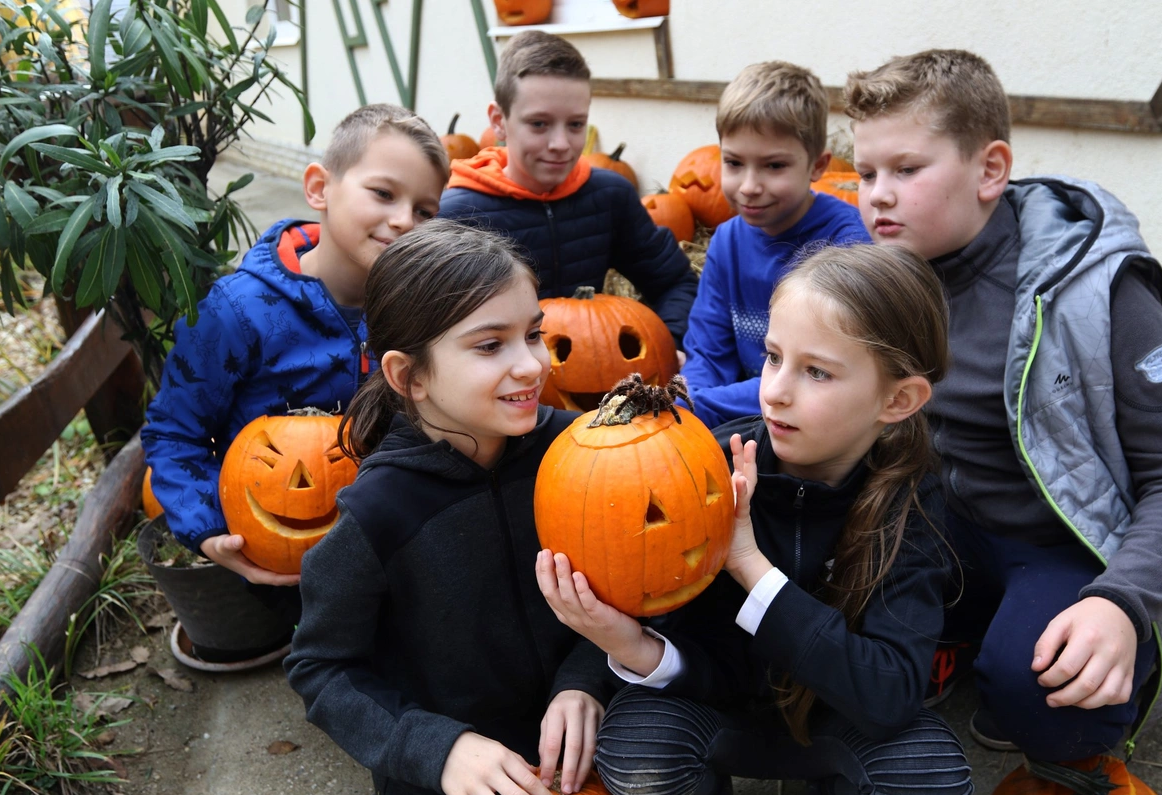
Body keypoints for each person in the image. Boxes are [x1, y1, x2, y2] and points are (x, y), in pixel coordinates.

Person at [844, 49, 1162, 763]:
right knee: (817, 576)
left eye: (906, 170)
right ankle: (958, 630)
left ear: (990, 170)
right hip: (946, 522)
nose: (877, 196)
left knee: (1046, 703)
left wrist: (1121, 603)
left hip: (1061, 542)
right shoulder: (892, 276)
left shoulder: (1097, 290)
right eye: (865, 174)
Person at [537, 244, 973, 795]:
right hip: (723, 717)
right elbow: (677, 624)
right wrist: (624, 645)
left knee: (931, 783)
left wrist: (748, 564)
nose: (776, 392)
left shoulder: (915, 503)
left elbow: (891, 691)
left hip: (840, 725)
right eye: (773, 357)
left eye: (816, 372)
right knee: (631, 750)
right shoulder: (702, 464)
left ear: (897, 401)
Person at [285, 220, 616, 795]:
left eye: (532, 334)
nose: (530, 364)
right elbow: (322, 669)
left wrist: (585, 679)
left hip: (579, 763)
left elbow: (629, 581)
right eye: (489, 345)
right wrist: (439, 751)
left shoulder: (578, 453)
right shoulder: (378, 513)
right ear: (410, 376)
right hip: (447, 791)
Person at [143, 104, 448, 595]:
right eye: (384, 193)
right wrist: (207, 528)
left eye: (424, 211)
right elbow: (175, 431)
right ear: (319, 188)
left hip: (388, 539)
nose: (403, 221)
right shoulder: (237, 312)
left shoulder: (414, 309)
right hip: (279, 539)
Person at [438, 30, 699, 346]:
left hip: (592, 370)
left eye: (575, 124)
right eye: (539, 124)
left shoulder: (609, 196)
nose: (560, 144)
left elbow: (674, 282)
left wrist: (666, 344)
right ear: (499, 121)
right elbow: (430, 326)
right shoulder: (455, 217)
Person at [680, 61, 870, 428]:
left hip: (815, 428)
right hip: (743, 417)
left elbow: (815, 377)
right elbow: (707, 352)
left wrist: (700, 406)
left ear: (818, 166)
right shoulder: (727, 243)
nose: (749, 185)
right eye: (734, 163)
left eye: (773, 166)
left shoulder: (846, 247)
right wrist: (687, 405)